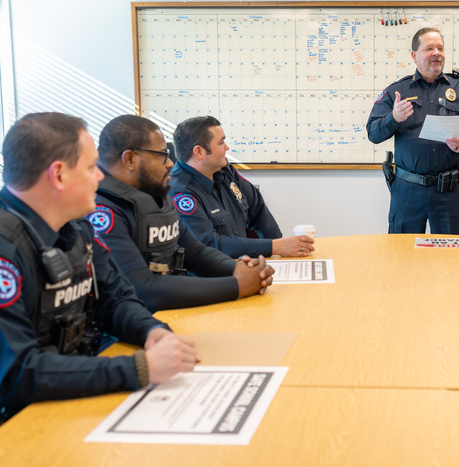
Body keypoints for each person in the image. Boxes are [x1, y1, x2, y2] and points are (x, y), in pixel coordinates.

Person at [0, 112, 197, 422]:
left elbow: (116, 299)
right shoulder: (6, 250)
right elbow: (17, 372)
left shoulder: (77, 228)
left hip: (73, 397)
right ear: (59, 175)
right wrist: (139, 368)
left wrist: (150, 329)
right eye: (91, 167)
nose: (101, 176)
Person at [89, 115, 273, 312]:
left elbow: (195, 251)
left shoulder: (154, 194)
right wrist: (237, 286)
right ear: (130, 159)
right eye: (161, 155)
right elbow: (142, 287)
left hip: (169, 314)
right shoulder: (102, 210)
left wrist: (239, 269)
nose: (169, 163)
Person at [366, 27, 459, 235]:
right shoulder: (397, 91)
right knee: (402, 254)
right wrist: (393, 118)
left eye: (440, 49)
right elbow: (373, 133)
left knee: (450, 256)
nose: (436, 53)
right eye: (429, 48)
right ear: (414, 55)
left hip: (449, 191)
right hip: (407, 190)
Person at [169, 115, 314, 258]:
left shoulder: (225, 172)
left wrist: (282, 247)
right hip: (212, 277)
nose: (227, 147)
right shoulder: (180, 193)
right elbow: (210, 244)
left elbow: (258, 208)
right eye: (221, 143)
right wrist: (274, 247)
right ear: (199, 152)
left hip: (243, 267)